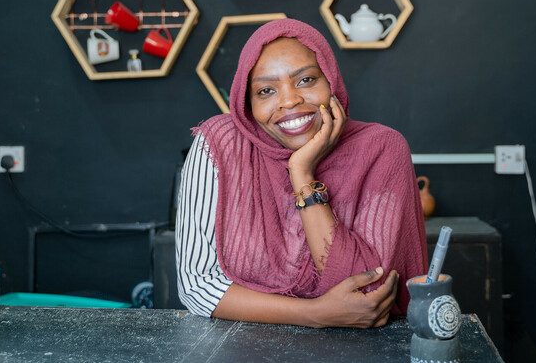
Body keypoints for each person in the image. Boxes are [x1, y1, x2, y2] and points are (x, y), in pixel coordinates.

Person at [176, 19, 427, 328]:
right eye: (266, 90)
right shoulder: (220, 144)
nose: (289, 100)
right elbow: (197, 286)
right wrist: (314, 314)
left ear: (331, 81)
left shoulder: (382, 149)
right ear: (247, 103)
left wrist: (302, 172)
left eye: (306, 80)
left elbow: (368, 297)